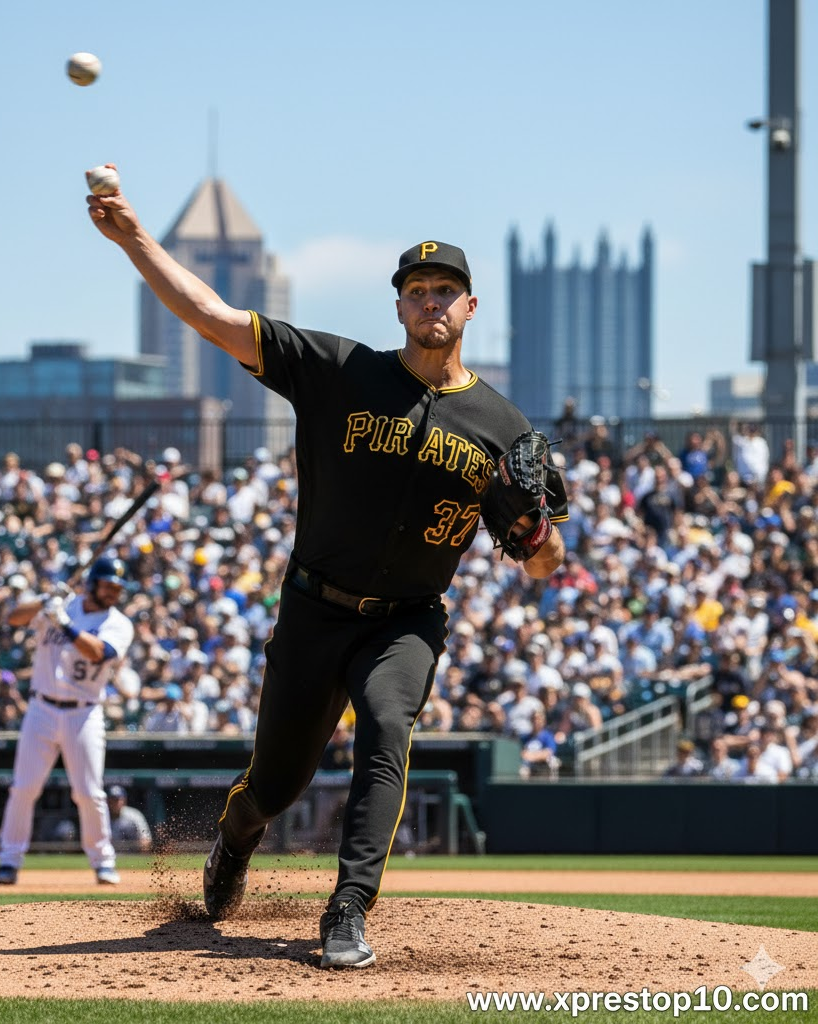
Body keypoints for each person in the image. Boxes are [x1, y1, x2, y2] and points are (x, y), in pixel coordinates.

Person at [88, 176, 568, 968]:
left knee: (386, 727)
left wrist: (535, 528)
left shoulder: (502, 427)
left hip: (407, 617)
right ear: (399, 309)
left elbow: (546, 563)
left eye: (446, 290)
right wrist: (135, 238)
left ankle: (347, 906)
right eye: (416, 291)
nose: (430, 303)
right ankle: (233, 844)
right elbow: (214, 320)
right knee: (271, 788)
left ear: (471, 307)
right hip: (314, 610)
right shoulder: (342, 372)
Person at [0, 557, 135, 886]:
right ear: (92, 583)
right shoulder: (62, 605)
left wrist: (63, 622)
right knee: (23, 788)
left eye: (117, 588)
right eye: (108, 585)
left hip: (84, 711)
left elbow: (98, 652)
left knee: (88, 792)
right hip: (41, 707)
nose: (113, 592)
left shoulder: (119, 622)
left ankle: (102, 862)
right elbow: (14, 617)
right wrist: (45, 600)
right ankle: (9, 861)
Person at [107, 784, 153, 852]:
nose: (115, 803)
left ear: (124, 800)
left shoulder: (134, 815)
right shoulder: (101, 817)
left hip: (132, 856)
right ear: (107, 801)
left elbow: (146, 841)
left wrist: (131, 846)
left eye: (117, 800)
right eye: (112, 800)